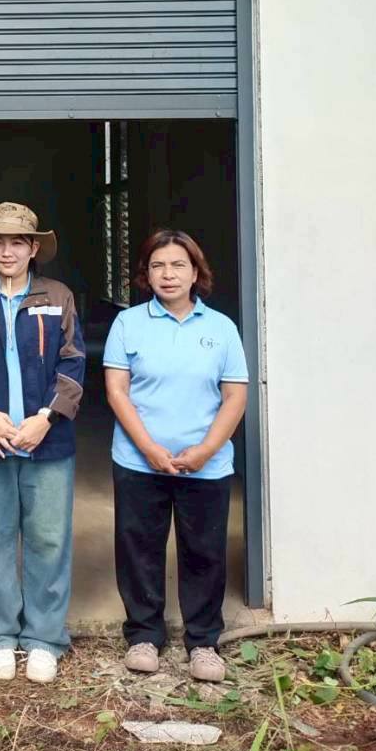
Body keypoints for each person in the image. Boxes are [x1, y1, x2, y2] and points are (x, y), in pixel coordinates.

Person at [103, 229, 248, 682]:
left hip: (205, 465)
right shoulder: (128, 323)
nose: (168, 274)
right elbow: (117, 390)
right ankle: (144, 635)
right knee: (139, 548)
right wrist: (148, 448)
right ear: (146, 274)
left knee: (204, 551)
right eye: (158, 266)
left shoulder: (221, 328)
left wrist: (205, 450)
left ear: (195, 272)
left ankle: (203, 642)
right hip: (138, 460)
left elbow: (235, 395)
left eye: (178, 265)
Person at [0, 202, 85, 683]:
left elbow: (73, 363)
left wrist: (45, 418)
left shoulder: (58, 296)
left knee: (49, 538)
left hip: (47, 439)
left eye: (17, 243)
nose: (7, 251)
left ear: (33, 249)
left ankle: (45, 638)